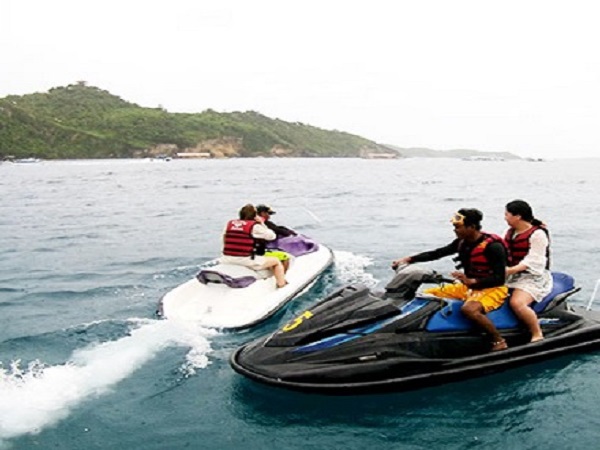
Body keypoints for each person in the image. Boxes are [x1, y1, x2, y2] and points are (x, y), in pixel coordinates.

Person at [392, 208, 509, 351]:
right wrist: (409, 260)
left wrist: (473, 282)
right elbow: (438, 253)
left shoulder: (493, 247)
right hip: (468, 287)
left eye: (458, 227)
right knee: (427, 295)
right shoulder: (462, 242)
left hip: (491, 289)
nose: (455, 230)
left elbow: (499, 279)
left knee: (470, 310)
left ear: (471, 227)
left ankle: (498, 340)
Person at [504, 200, 552, 342]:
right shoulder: (510, 232)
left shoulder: (537, 235)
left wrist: (510, 270)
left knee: (517, 303)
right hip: (510, 275)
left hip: (531, 276)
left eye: (507, 214)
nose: (505, 217)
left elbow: (533, 260)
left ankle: (537, 333)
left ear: (517, 216)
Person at [220, 204, 288, 288]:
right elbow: (272, 236)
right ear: (255, 215)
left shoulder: (229, 224)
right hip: (245, 260)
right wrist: (262, 223)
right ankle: (281, 284)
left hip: (227, 258)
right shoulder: (255, 226)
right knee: (276, 261)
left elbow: (224, 239)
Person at [255, 204, 296, 272]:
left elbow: (277, 228)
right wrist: (289, 232)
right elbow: (278, 231)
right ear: (262, 213)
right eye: (268, 214)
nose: (269, 216)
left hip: (249, 251)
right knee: (285, 257)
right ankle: (281, 278)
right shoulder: (265, 224)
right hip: (259, 252)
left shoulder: (249, 223)